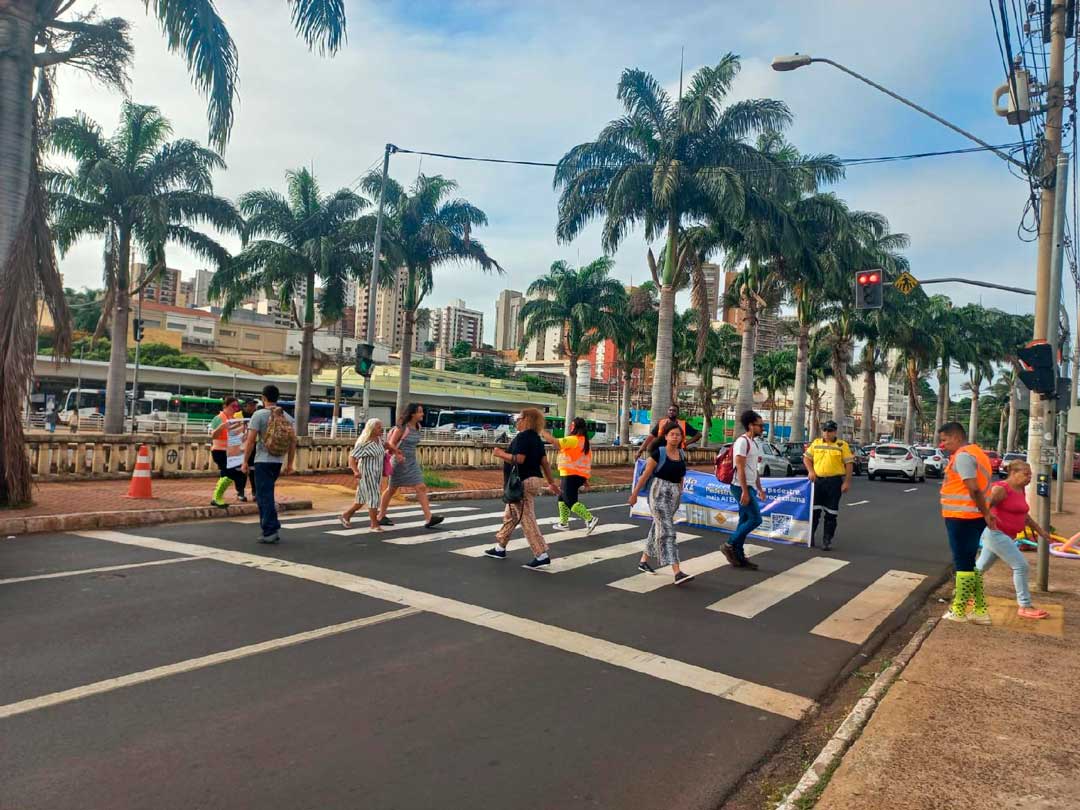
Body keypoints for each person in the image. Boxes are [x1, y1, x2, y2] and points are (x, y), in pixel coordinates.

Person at [483, 408, 561, 568]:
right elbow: (544, 463)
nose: (517, 421)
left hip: (522, 482)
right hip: (532, 480)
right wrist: (551, 482)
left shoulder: (523, 437)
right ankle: (500, 547)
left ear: (526, 420)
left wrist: (500, 453)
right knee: (510, 516)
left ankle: (541, 554)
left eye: (519, 418)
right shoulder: (536, 438)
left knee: (527, 518)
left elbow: (519, 459)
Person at [937, 422, 996, 624]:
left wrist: (986, 512)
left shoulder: (963, 456)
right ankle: (980, 611)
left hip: (963, 517)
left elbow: (974, 489)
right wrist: (985, 513)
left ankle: (959, 611)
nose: (942, 444)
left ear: (956, 437)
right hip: (971, 517)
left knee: (962, 564)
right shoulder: (977, 453)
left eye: (944, 440)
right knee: (969, 564)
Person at [976, 460, 1050, 620]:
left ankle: (963, 592)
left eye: (1030, 474)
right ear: (1013, 473)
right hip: (996, 534)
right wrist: (988, 516)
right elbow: (983, 505)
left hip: (1007, 535)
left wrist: (1040, 531)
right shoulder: (1002, 489)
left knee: (980, 568)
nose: (1029, 477)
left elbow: (1024, 515)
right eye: (1026, 474)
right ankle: (1025, 606)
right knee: (1021, 566)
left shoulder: (1020, 489)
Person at [629, 422, 694, 584]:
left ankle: (643, 561)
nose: (675, 437)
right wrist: (634, 494)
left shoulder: (682, 454)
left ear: (681, 438)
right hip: (658, 493)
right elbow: (644, 476)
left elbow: (681, 477)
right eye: (672, 434)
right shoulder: (659, 453)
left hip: (673, 495)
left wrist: (680, 492)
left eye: (678, 435)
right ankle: (677, 571)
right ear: (665, 436)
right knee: (667, 531)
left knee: (657, 526)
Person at [241, 384, 296, 544]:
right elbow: (293, 442)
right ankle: (270, 528)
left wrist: (245, 461)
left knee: (264, 496)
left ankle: (270, 530)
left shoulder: (259, 415)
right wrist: (290, 463)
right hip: (277, 461)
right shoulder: (286, 415)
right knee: (267, 494)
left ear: (264, 398)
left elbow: (251, 441)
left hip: (262, 461)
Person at [375, 403, 444, 529]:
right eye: (420, 412)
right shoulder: (402, 428)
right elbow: (390, 443)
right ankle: (380, 516)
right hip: (398, 461)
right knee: (392, 489)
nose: (422, 414)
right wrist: (398, 454)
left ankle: (429, 518)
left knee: (421, 487)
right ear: (412, 414)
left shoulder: (418, 426)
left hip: (411, 461)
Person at [723, 409, 767, 570]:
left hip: (750, 486)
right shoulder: (742, 442)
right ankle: (730, 544)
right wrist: (745, 491)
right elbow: (739, 468)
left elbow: (753, 469)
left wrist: (759, 488)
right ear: (750, 425)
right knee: (756, 519)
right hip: (740, 487)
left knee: (744, 520)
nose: (763, 428)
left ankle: (739, 556)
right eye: (760, 425)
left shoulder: (754, 443)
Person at [542, 416, 599, 534]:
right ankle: (564, 523)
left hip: (571, 474)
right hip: (577, 475)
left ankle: (590, 518)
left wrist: (542, 432)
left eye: (572, 425)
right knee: (562, 498)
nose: (570, 427)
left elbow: (555, 442)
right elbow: (585, 462)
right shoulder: (585, 442)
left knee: (570, 500)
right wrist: (585, 480)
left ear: (576, 427)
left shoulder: (574, 440)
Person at [804, 420, 854, 550]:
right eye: (825, 430)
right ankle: (810, 537)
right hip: (818, 482)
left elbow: (849, 464)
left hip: (834, 482)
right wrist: (811, 471)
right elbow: (807, 458)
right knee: (814, 512)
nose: (827, 433)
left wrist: (847, 482)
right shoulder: (816, 443)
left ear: (835, 432)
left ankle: (827, 540)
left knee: (831, 513)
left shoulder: (842, 445)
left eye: (830, 431)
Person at [341, 418, 387, 531]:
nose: (381, 429)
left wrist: (395, 451)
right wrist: (355, 471)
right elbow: (352, 457)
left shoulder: (379, 440)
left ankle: (346, 515)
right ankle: (374, 524)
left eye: (381, 427)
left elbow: (386, 446)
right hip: (367, 473)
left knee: (361, 499)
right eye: (379, 427)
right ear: (371, 429)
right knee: (374, 497)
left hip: (377, 474)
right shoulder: (364, 443)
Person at [209, 397, 247, 507]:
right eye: (233, 406)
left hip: (232, 452)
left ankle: (217, 497)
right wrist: (222, 427)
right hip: (219, 451)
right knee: (228, 473)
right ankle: (217, 497)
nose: (235, 409)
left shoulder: (236, 419)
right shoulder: (218, 418)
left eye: (237, 406)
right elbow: (213, 435)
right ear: (225, 406)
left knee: (229, 474)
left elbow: (239, 438)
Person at [240, 399, 260, 499]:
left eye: (254, 406)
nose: (253, 408)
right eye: (251, 405)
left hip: (253, 446)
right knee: (241, 471)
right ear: (245, 406)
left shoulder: (256, 416)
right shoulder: (238, 417)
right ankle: (240, 492)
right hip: (240, 446)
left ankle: (254, 492)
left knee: (253, 470)